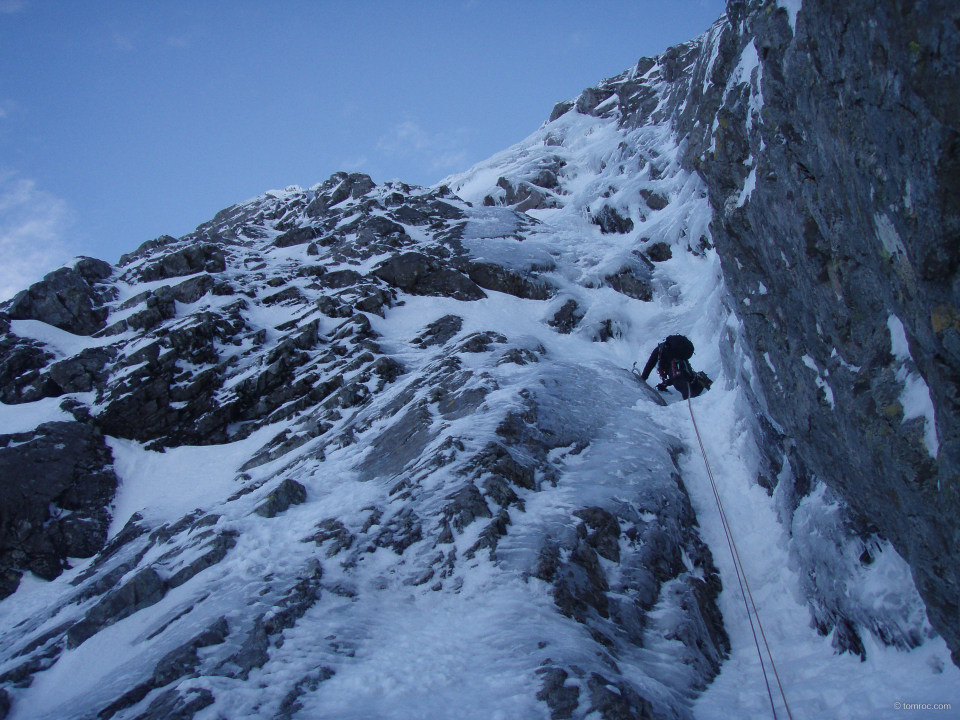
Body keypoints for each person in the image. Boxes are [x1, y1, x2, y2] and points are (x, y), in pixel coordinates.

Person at [640, 334, 712, 399]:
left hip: (676, 370)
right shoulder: (677, 353)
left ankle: (693, 402)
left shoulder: (661, 351)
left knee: (681, 384)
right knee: (687, 380)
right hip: (683, 366)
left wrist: (643, 378)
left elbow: (650, 365)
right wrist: (665, 384)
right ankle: (699, 380)